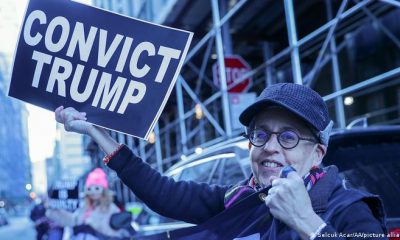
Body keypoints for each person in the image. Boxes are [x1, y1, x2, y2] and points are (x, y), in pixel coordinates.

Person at [55, 83, 387, 239]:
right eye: (261, 134)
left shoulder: (347, 208)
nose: (271, 147)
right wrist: (96, 131)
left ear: (317, 153)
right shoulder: (238, 201)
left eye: (288, 137)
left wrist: (308, 223)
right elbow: (162, 191)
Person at [46, 168, 125, 239]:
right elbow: (74, 221)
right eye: (89, 188)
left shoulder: (111, 207)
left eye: (97, 188)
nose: (93, 192)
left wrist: (93, 225)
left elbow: (117, 233)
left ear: (103, 190)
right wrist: (54, 210)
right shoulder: (85, 206)